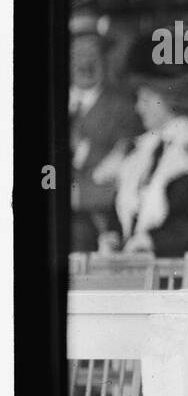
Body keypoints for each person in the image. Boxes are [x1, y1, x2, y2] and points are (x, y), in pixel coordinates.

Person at [95, 72, 188, 285]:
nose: (138, 108)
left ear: (168, 100)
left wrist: (154, 240)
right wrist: (114, 236)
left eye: (146, 100)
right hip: (137, 269)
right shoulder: (138, 150)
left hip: (186, 271)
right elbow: (123, 210)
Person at [69, 14, 141, 252]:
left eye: (92, 54)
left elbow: (117, 175)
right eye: (77, 54)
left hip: (96, 220)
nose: (85, 64)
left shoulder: (123, 108)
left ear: (105, 58)